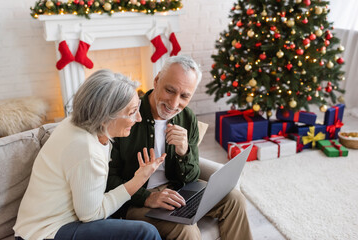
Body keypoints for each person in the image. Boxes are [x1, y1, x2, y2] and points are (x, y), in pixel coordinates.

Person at [107, 56, 253, 240]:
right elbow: (108, 180)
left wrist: (184, 152)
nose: (174, 104)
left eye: (184, 96)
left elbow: (191, 178)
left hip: (177, 192)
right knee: (186, 230)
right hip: (134, 202)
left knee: (235, 200)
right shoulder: (127, 115)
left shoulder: (187, 117)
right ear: (157, 80)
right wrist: (147, 197)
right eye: (170, 90)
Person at [13, 70, 165, 240]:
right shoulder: (85, 148)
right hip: (44, 233)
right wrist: (138, 180)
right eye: (132, 112)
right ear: (105, 116)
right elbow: (91, 215)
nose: (138, 118)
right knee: (146, 233)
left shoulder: (80, 125)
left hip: (63, 222)